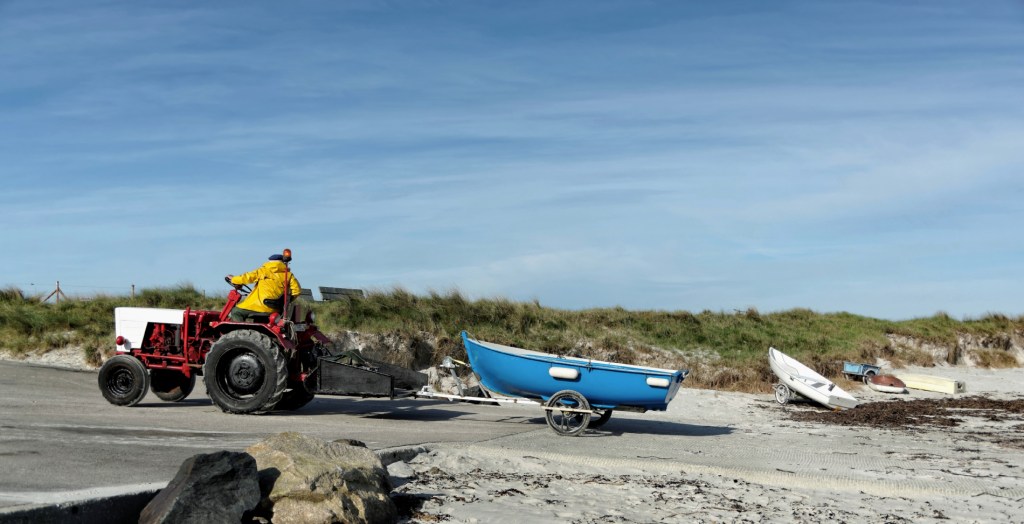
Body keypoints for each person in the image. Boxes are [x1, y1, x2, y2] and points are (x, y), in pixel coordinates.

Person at [226, 249, 302, 322]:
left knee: (236, 311)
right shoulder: (288, 275)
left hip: (259, 306)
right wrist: (283, 301)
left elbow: (246, 278)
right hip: (276, 309)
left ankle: (240, 332)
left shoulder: (263, 271)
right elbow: (296, 291)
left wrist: (233, 279)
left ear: (270, 262)